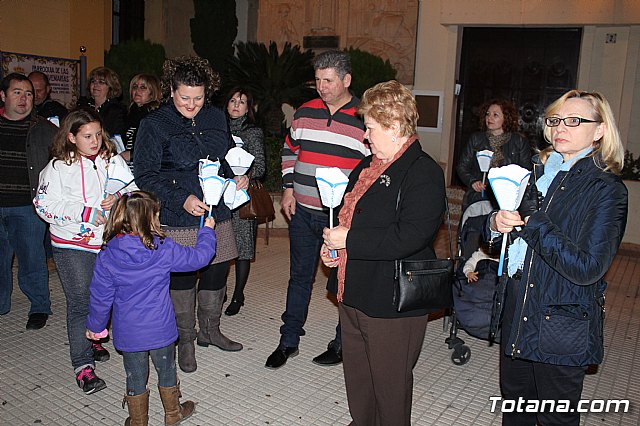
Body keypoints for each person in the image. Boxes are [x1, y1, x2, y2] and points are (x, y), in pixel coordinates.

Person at [489, 90, 628, 425]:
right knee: (516, 409)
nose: (560, 127)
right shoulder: (533, 174)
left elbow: (587, 268)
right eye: (554, 120)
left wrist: (534, 221)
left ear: (599, 131)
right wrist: (495, 224)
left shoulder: (607, 189)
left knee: (555, 418)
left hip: (561, 320)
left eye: (574, 120)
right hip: (518, 307)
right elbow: (501, 244)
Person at [321, 80, 446, 425]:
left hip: (392, 300)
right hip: (351, 289)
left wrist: (349, 241)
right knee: (359, 376)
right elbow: (346, 217)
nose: (365, 135)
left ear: (393, 124)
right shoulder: (366, 167)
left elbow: (410, 236)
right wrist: (331, 247)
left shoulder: (423, 172)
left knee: (390, 385)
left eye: (371, 127)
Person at [134, 55, 247, 374]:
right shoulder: (154, 124)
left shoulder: (215, 116)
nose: (192, 105)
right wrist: (180, 197)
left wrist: (237, 175)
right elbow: (144, 174)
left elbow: (224, 158)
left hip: (217, 211)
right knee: (182, 278)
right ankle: (185, 340)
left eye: (198, 98)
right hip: (177, 215)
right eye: (185, 97)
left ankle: (211, 330)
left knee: (215, 270)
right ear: (171, 90)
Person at [265, 50, 369, 370]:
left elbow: (371, 169)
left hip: (341, 220)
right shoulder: (304, 112)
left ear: (346, 80)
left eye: (328, 80)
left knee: (343, 281)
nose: (321, 87)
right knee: (299, 277)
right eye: (318, 80)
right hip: (304, 212)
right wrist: (287, 189)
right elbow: (289, 150)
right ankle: (288, 340)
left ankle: (342, 342)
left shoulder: (364, 118)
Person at [86, 191, 216, 425]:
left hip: (129, 332)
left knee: (135, 376)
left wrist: (95, 327)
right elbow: (199, 258)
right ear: (149, 219)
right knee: (166, 371)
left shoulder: (107, 254)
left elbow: (100, 296)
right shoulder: (163, 248)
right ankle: (173, 414)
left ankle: (138, 421)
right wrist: (207, 232)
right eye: (156, 215)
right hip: (161, 329)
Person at [33, 108, 137, 394]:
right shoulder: (56, 168)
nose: (95, 141)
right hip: (70, 244)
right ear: (71, 137)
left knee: (104, 295)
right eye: (87, 136)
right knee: (80, 301)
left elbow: (133, 189)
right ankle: (83, 366)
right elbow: (44, 206)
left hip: (106, 242)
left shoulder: (110, 159)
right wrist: (85, 212)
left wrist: (118, 196)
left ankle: (93, 338)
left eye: (98, 135)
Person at [0, 72, 56, 329]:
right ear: (3, 96)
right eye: (17, 92)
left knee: (32, 258)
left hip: (27, 206)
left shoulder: (44, 129)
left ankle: (39, 306)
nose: (24, 99)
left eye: (29, 93)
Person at [223, 87, 266, 316]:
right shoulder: (216, 128)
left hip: (241, 198)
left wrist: (247, 177)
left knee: (242, 249)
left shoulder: (253, 132)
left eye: (241, 102)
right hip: (219, 195)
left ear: (248, 107)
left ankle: (238, 294)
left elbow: (260, 166)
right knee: (218, 246)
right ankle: (221, 290)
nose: (236, 105)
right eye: (232, 100)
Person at [456, 99, 531, 209]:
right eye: (487, 114)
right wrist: (472, 181)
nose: (489, 118)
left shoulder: (518, 141)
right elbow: (462, 166)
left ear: (506, 118)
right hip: (479, 196)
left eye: (495, 115)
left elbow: (525, 171)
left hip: (506, 199)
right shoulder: (476, 139)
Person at [121, 74, 161, 166]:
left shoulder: (154, 116)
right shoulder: (130, 113)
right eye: (135, 87)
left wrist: (131, 155)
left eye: (143, 87)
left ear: (152, 93)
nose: (137, 90)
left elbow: (154, 149)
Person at [80, 67, 127, 138]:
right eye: (93, 81)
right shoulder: (84, 107)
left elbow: (113, 137)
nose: (95, 85)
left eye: (101, 82)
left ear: (110, 87)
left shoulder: (116, 110)